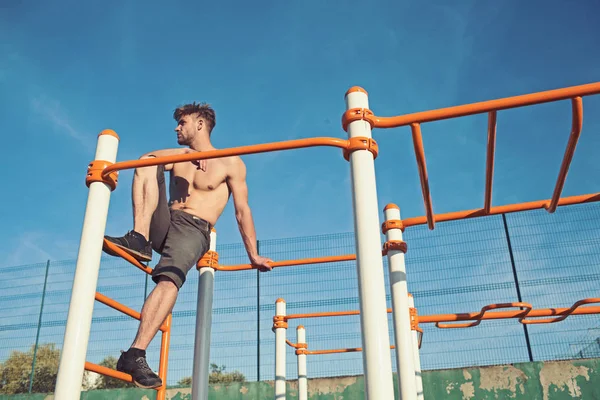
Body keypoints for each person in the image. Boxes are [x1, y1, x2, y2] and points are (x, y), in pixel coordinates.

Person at [102, 102, 273, 389]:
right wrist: (184, 154)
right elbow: (148, 158)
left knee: (168, 281)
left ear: (200, 124)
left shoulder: (231, 162)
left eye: (182, 122)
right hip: (166, 220)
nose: (177, 128)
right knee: (145, 164)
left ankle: (135, 354)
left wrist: (253, 254)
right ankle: (140, 238)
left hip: (194, 227)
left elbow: (242, 210)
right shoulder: (178, 156)